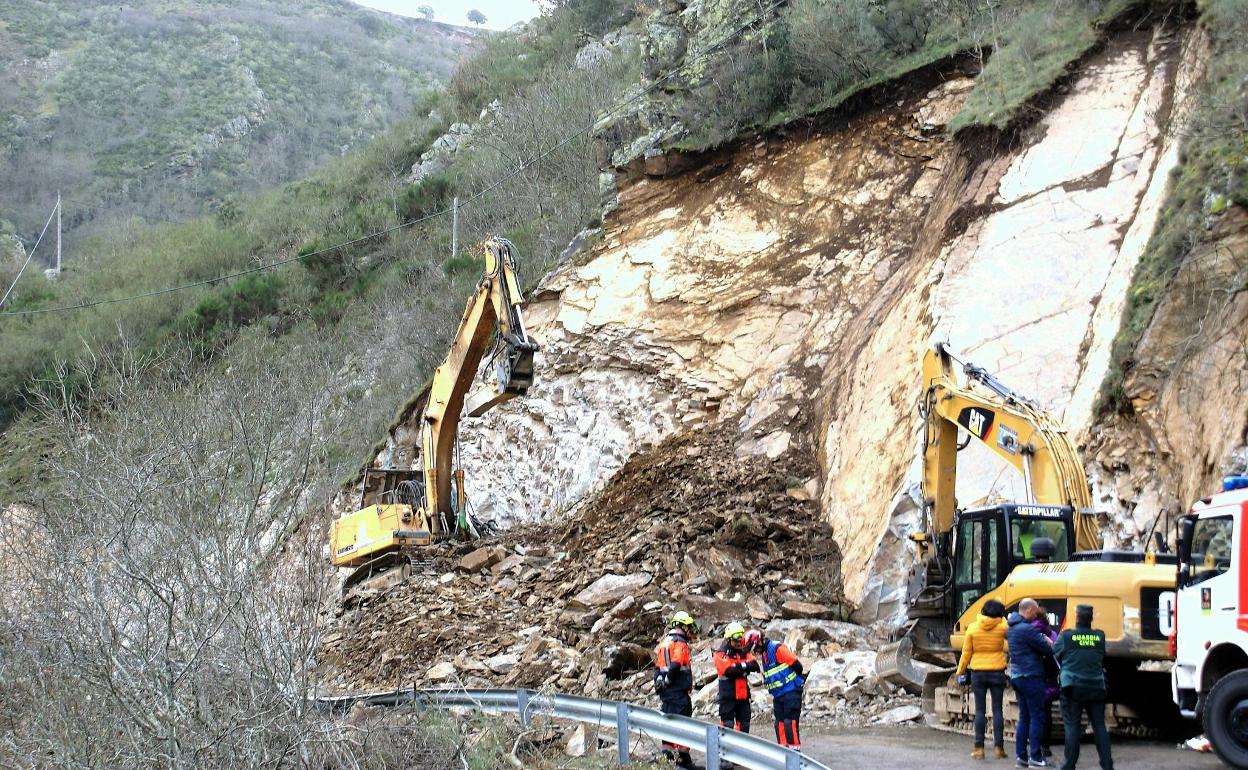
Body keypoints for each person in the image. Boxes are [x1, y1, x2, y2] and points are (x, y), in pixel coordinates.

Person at [1054, 605, 1113, 770]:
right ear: (1091, 618)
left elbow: (1055, 651)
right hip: (1096, 687)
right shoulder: (1100, 636)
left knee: (1072, 726)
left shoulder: (1067, 637)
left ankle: (1070, 764)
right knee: (1099, 726)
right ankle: (1107, 765)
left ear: (1077, 617)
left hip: (1072, 687)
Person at [955, 599, 1009, 760]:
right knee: (997, 710)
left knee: (980, 710)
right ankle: (999, 748)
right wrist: (1002, 618)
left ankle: (979, 748)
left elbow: (966, 654)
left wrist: (960, 671)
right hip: (997, 671)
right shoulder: (1002, 627)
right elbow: (1007, 628)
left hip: (978, 672)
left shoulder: (972, 628)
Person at [1008, 598, 1056, 768]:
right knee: (1037, 716)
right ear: (1028, 610)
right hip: (1031, 677)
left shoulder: (1012, 628)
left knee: (1024, 717)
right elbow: (1047, 649)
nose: (1036, 615)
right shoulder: (1027, 629)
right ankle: (1036, 757)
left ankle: (1021, 756)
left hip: (1017, 676)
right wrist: (1049, 642)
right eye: (1035, 612)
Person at [655, 611, 700, 768]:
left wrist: (660, 682)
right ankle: (683, 760)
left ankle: (667, 757)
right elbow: (676, 664)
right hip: (678, 691)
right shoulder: (680, 643)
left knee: (668, 721)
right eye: (687, 627)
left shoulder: (665, 643)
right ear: (682, 626)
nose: (689, 630)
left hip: (667, 693)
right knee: (683, 723)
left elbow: (658, 667)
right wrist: (667, 681)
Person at [749, 630, 805, 751]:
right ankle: (784, 752)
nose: (754, 652)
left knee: (789, 723)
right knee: (779, 724)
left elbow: (797, 665)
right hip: (778, 695)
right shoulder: (765, 654)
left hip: (791, 691)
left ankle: (795, 754)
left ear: (759, 643)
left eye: (754, 649)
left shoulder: (777, 649)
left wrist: (793, 682)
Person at [714, 622, 760, 734]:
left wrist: (739, 666)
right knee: (727, 726)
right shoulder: (721, 654)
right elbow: (729, 671)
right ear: (729, 639)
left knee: (744, 726)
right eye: (736, 640)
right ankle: (724, 750)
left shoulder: (744, 652)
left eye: (740, 640)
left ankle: (740, 751)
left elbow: (755, 665)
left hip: (743, 697)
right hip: (727, 697)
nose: (739, 643)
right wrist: (744, 669)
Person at [1031, 606, 1061, 758]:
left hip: (1033, 678)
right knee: (1047, 713)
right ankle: (1045, 746)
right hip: (1049, 679)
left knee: (1032, 714)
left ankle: (1034, 746)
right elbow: (1058, 653)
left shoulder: (1027, 632)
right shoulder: (1052, 633)